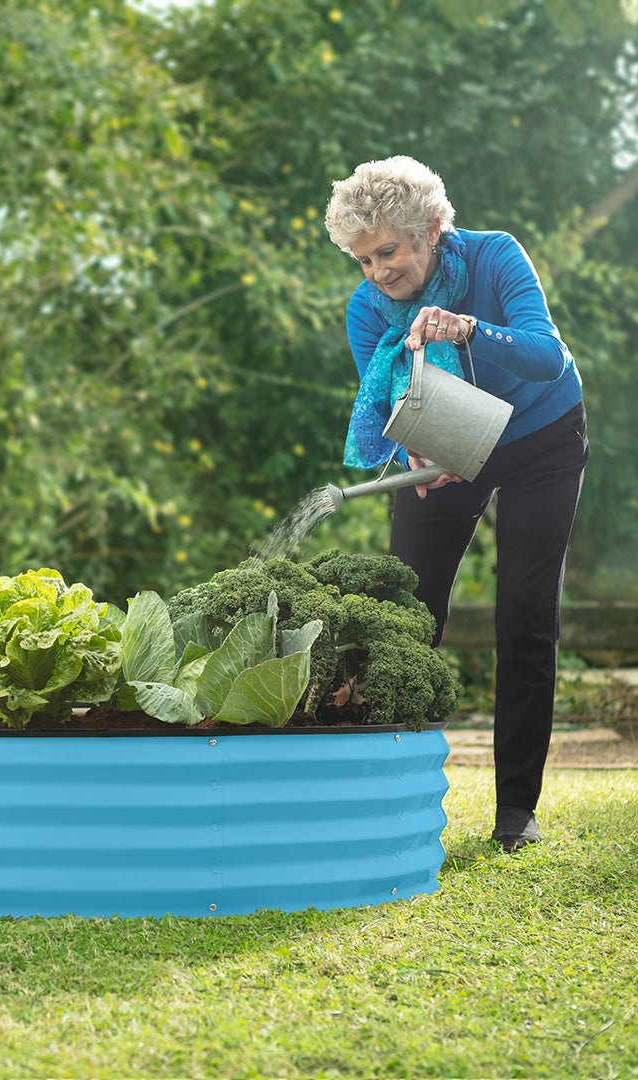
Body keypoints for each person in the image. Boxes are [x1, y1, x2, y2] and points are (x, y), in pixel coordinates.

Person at [324, 156, 587, 852]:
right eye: (362, 259)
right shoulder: (365, 310)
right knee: (408, 618)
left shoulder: (496, 257)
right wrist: (416, 453)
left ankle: (516, 814)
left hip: (541, 433)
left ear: (434, 228)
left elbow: (547, 357)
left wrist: (464, 327)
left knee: (525, 616)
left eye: (388, 251)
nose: (377, 271)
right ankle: (388, 800)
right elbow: (393, 409)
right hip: (455, 441)